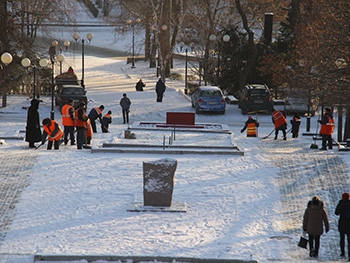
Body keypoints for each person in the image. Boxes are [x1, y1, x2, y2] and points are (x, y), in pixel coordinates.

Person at [335, 192, 350, 260]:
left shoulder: (341, 203)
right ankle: (349, 253)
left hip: (342, 223)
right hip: (349, 223)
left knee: (342, 238)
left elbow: (336, 213)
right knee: (349, 240)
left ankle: (342, 252)